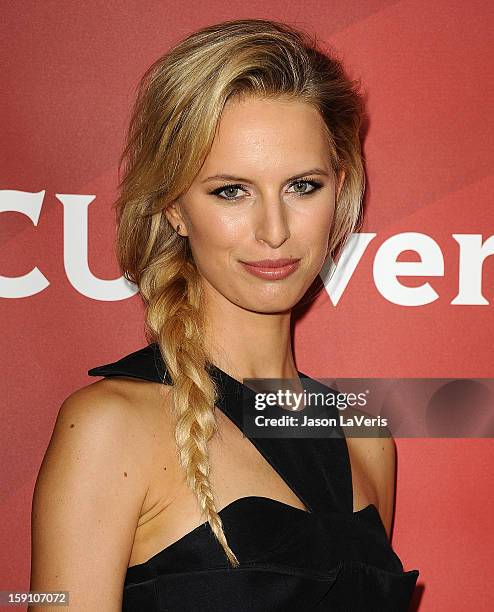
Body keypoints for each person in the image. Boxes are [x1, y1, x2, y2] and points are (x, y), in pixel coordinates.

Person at [30, 18, 419, 611]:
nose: (275, 231)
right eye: (231, 190)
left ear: (339, 191)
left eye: (302, 186)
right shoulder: (109, 428)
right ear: (175, 208)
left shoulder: (363, 434)